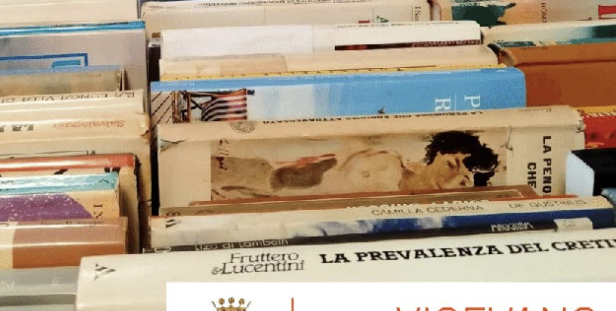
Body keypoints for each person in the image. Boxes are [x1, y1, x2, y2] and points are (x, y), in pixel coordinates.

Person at [212, 130, 501, 198]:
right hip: (269, 181)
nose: (451, 182)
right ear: (434, 156)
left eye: (464, 181)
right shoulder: (387, 162)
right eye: (451, 165)